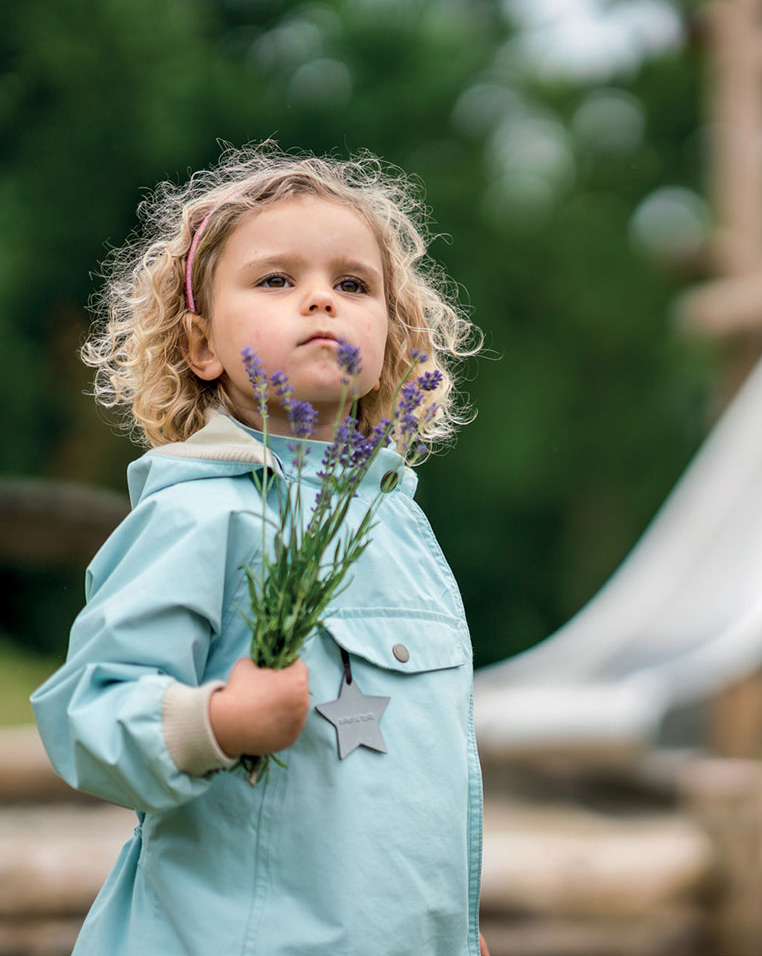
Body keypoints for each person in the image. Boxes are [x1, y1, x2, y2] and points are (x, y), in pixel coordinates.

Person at [32, 144, 490, 956]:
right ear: (203, 346)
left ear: (394, 334)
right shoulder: (201, 514)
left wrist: (458, 931)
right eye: (277, 280)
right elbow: (89, 714)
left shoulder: (396, 523)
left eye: (353, 284)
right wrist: (217, 721)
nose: (321, 300)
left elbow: (426, 778)